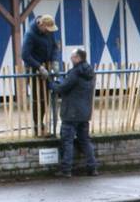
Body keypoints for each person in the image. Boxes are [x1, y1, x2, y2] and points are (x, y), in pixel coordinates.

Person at [48, 47, 97, 178]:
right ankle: (92, 168)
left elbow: (63, 88)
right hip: (84, 113)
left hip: (71, 113)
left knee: (67, 141)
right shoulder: (90, 72)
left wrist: (51, 84)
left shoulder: (75, 73)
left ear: (78, 58)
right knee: (85, 141)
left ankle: (66, 170)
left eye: (73, 57)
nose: (71, 58)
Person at [21, 14, 59, 136]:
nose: (49, 32)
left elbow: (55, 47)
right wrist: (39, 67)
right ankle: (37, 125)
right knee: (37, 98)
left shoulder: (49, 32)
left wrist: (55, 60)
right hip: (34, 69)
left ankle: (42, 123)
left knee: (46, 98)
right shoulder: (30, 34)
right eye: (47, 29)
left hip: (47, 66)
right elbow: (25, 55)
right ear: (41, 25)